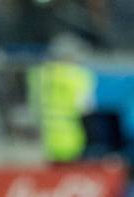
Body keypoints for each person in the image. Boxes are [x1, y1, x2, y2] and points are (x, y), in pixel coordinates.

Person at [27, 33, 96, 164]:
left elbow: (31, 104)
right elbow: (86, 109)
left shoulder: (38, 74)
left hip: (40, 141)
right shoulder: (79, 76)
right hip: (70, 140)